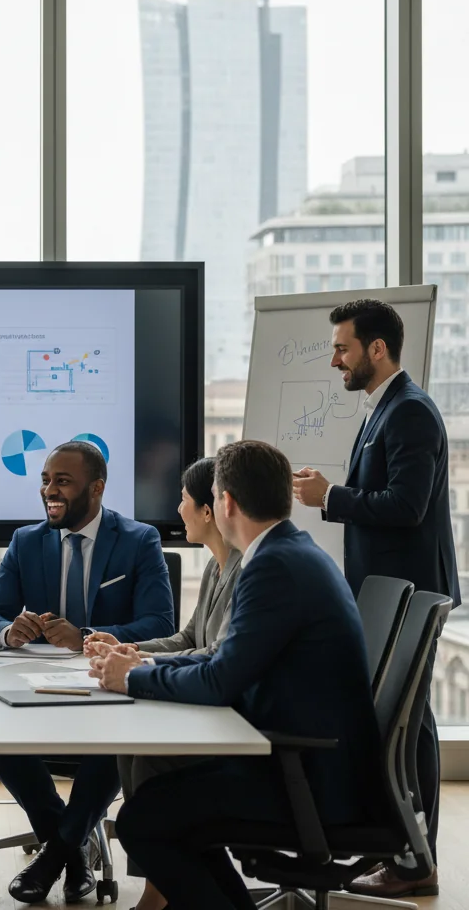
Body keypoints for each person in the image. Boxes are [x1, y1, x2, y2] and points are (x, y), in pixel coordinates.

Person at [89, 440, 381, 910]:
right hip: (303, 760)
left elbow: (219, 678)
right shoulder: (288, 552)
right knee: (159, 804)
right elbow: (220, 656)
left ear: (224, 502)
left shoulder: (272, 567)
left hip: (306, 779)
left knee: (144, 821)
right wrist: (142, 665)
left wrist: (132, 679)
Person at [293, 298, 459, 899]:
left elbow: (406, 506)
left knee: (409, 727)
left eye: (343, 347)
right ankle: (397, 845)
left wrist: (331, 497)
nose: (335, 359)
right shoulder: (385, 407)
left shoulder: (409, 411)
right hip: (388, 592)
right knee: (397, 724)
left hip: (409, 594)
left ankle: (416, 863)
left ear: (377, 349)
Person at [0, 440, 174, 906]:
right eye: (45, 481)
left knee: (115, 745)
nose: (49, 492)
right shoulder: (27, 541)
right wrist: (9, 632)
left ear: (97, 489)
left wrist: (84, 635)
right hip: (38, 692)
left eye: (62, 481)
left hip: (107, 689)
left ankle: (55, 854)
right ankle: (70, 848)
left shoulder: (139, 540)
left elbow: (160, 624)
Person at [82, 455, 243, 910]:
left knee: (149, 753)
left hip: (228, 719)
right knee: (132, 747)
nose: (177, 509)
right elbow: (190, 637)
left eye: (184, 500)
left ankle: (158, 887)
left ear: (209, 510)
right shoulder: (216, 565)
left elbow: (217, 655)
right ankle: (159, 883)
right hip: (206, 700)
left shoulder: (245, 568)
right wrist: (135, 650)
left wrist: (139, 667)